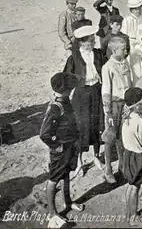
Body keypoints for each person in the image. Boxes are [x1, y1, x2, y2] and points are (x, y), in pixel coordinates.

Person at [39, 72, 84, 227]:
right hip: (60, 150)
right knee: (54, 179)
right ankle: (52, 214)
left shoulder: (65, 102)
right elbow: (44, 134)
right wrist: (57, 146)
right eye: (70, 90)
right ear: (65, 90)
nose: (71, 92)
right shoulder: (55, 107)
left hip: (70, 146)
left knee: (66, 175)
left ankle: (68, 202)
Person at [63, 25, 106, 176]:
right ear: (82, 42)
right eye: (90, 41)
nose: (93, 43)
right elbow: (66, 78)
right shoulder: (74, 58)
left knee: (97, 124)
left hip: (97, 92)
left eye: (94, 40)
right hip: (81, 96)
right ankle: (80, 160)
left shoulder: (99, 54)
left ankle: (96, 156)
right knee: (82, 127)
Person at [121, 87, 142, 226]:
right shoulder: (140, 122)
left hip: (128, 155)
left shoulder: (126, 118)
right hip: (138, 157)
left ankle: (129, 213)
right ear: (138, 105)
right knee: (136, 187)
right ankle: (134, 218)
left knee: (131, 185)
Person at [101, 37, 132, 184]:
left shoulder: (125, 62)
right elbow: (106, 90)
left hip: (125, 103)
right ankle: (108, 169)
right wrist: (108, 112)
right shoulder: (108, 67)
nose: (126, 51)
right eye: (123, 49)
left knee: (123, 136)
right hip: (114, 105)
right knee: (111, 137)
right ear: (114, 50)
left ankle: (122, 167)